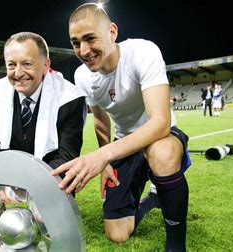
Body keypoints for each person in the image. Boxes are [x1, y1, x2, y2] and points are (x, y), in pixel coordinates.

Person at [52, 4, 191, 251]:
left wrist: (104, 156)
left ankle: (176, 244)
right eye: (75, 43)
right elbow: (100, 121)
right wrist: (106, 163)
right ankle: (154, 199)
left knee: (162, 154)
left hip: (161, 136)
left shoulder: (143, 51)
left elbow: (160, 123)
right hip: (123, 144)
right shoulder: (82, 76)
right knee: (117, 234)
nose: (83, 50)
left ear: (112, 32)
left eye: (90, 38)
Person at [0, 32, 86, 250]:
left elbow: (67, 155)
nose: (18, 73)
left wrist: (34, 192)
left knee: (50, 225)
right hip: (8, 154)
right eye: (11, 65)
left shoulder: (70, 97)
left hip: (49, 164)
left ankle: (54, 230)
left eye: (27, 64)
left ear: (46, 65)